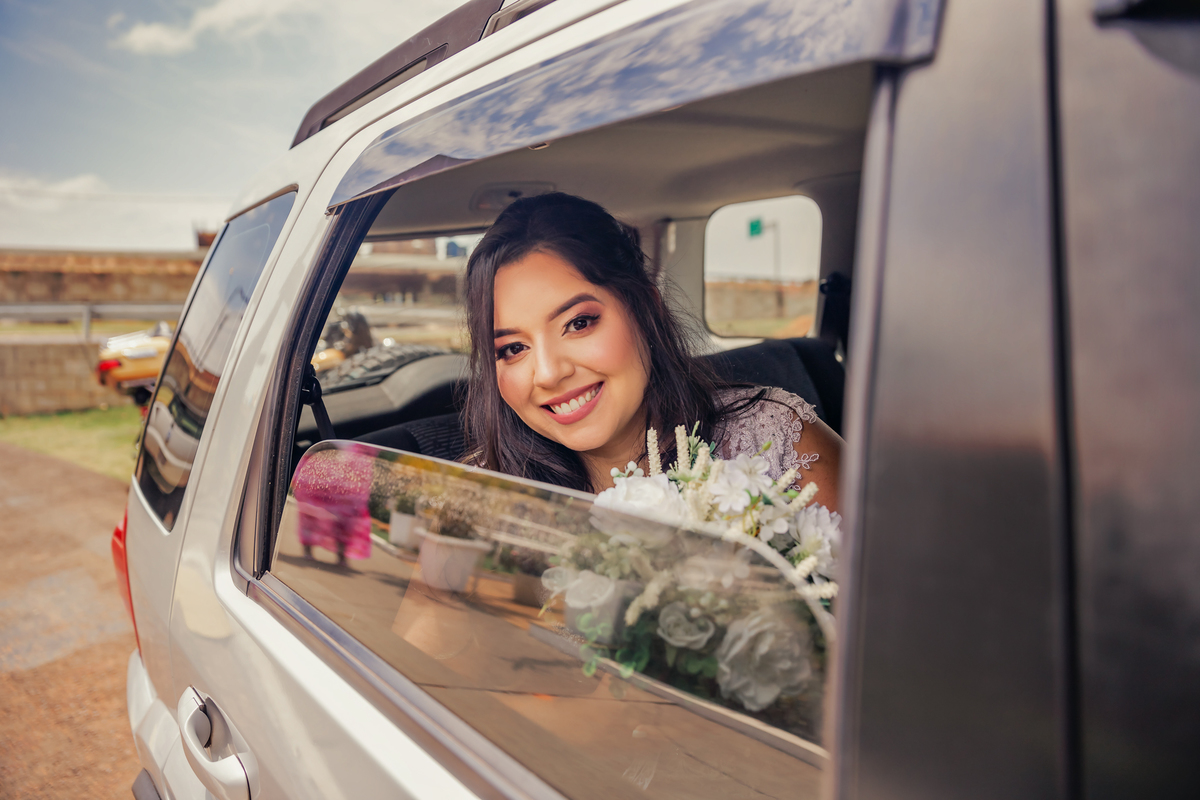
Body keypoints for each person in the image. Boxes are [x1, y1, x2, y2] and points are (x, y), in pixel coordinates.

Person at [462, 193, 843, 511]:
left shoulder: (780, 443)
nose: (547, 373)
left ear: (647, 309)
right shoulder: (476, 495)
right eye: (513, 348)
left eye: (578, 323)